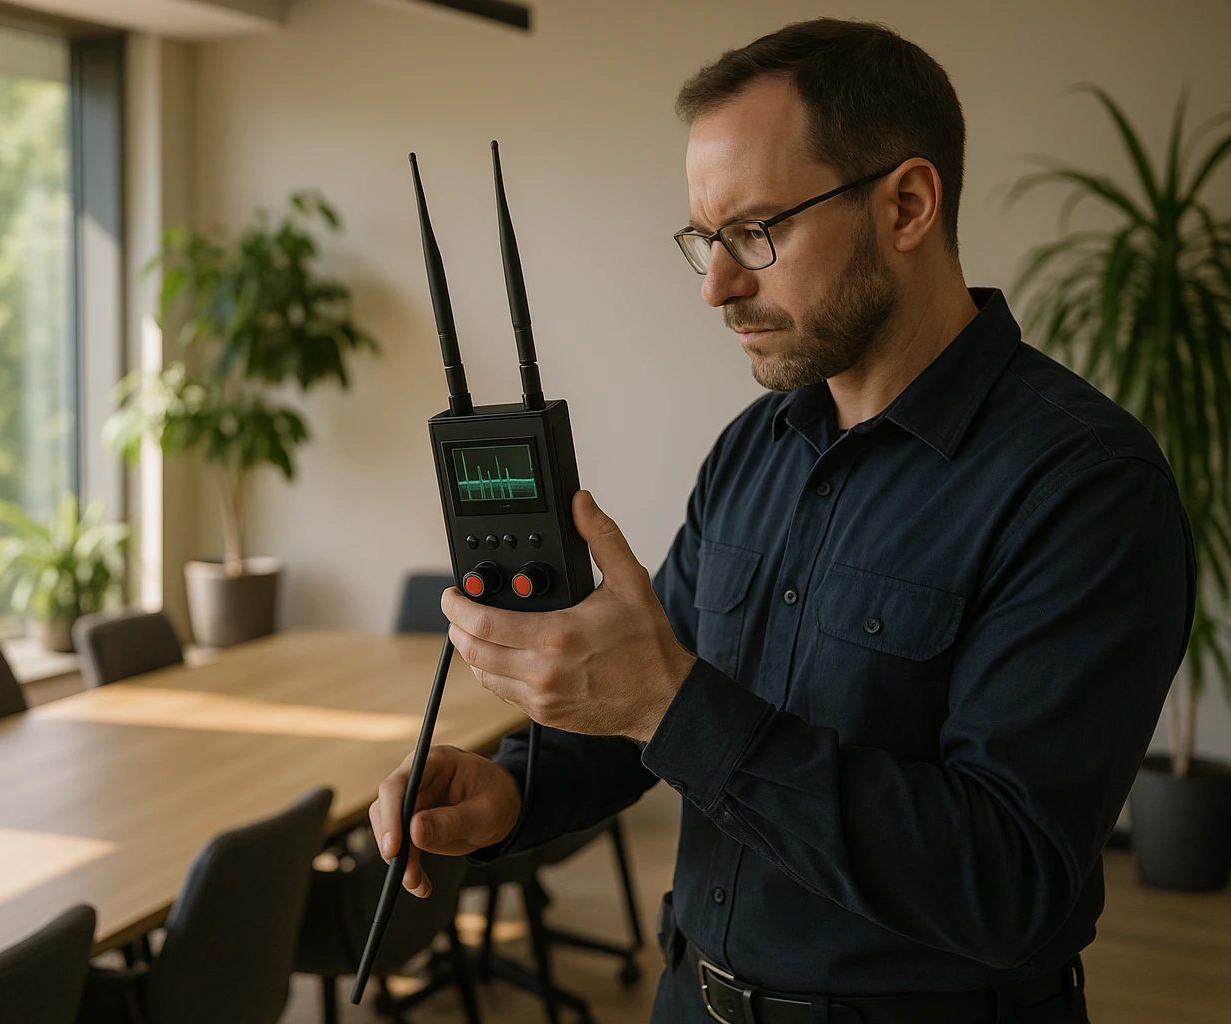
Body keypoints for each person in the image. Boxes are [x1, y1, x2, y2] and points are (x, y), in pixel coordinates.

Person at [369, 18, 1194, 1024]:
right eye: (704, 241)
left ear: (907, 204)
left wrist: (667, 704)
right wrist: (512, 794)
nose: (718, 286)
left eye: (757, 232)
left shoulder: (1082, 486)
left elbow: (1012, 883)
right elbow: (646, 703)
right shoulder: (752, 450)